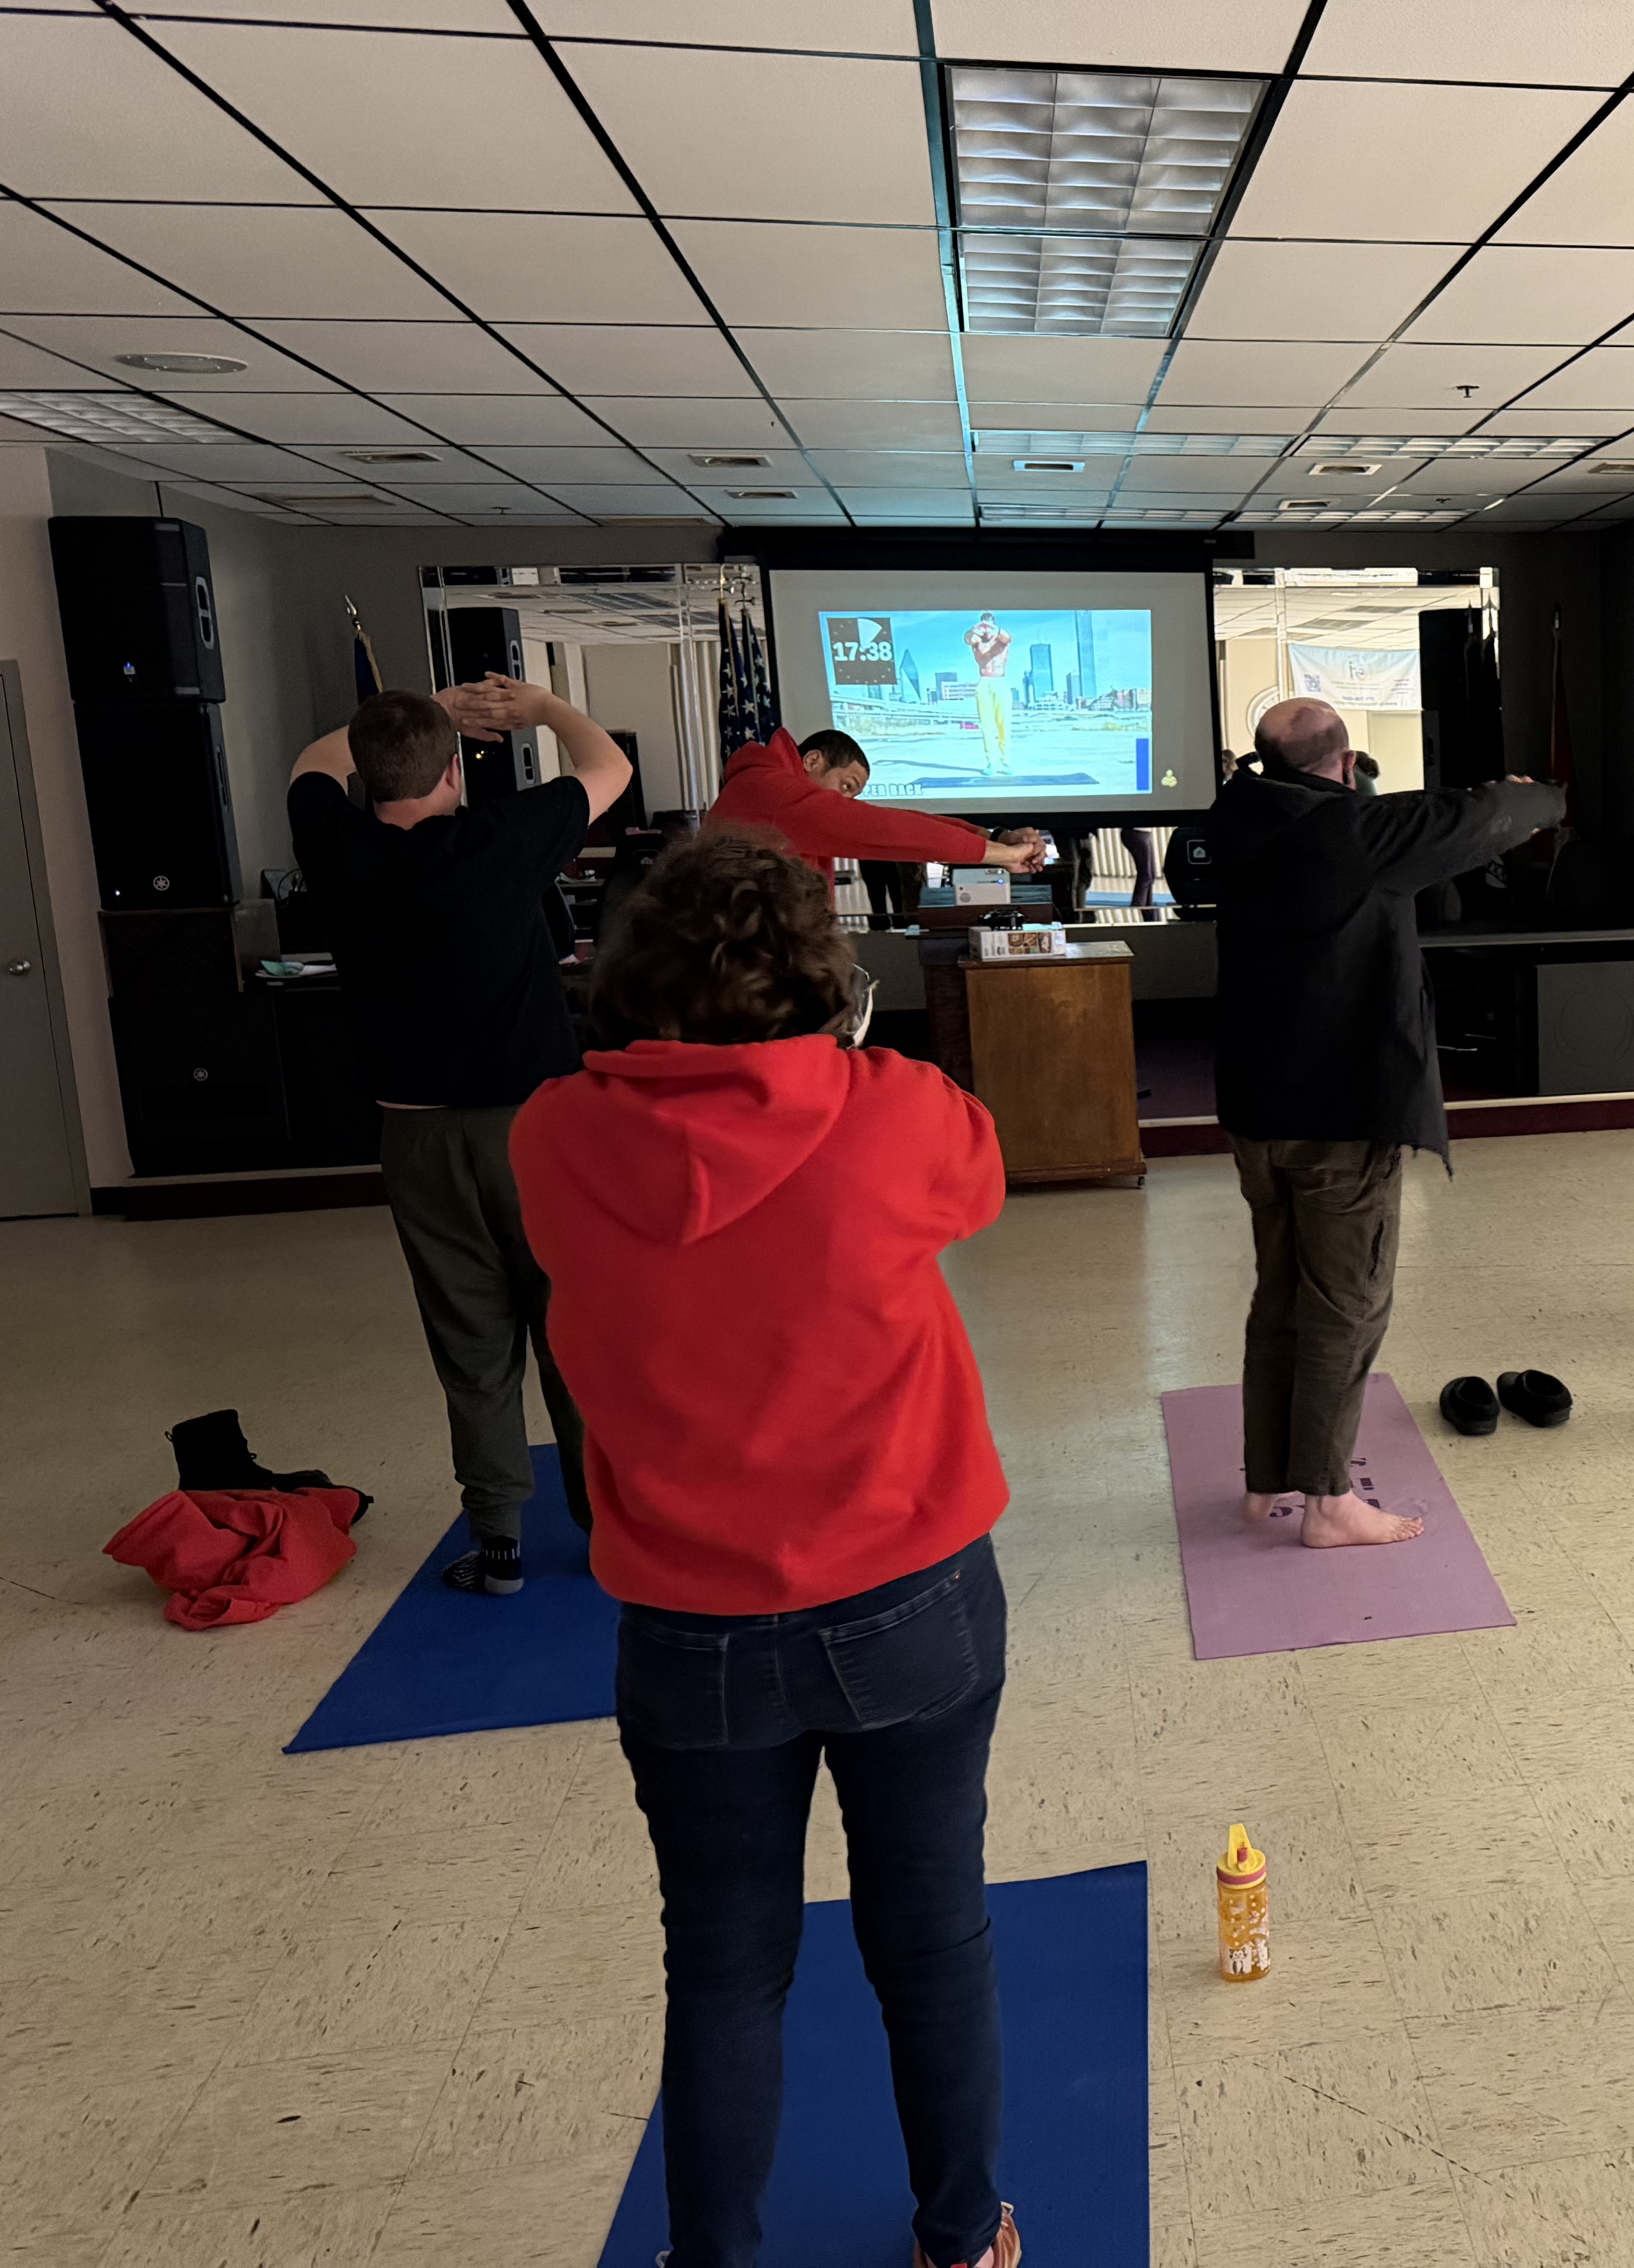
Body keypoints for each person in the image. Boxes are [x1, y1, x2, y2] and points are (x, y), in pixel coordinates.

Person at [510, 833, 1020, 2268]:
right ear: (827, 976)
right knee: (932, 1936)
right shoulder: (889, 1110)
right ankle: (963, 2235)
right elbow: (980, 1178)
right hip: (907, 1593)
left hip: (686, 1622)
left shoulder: (554, 1132)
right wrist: (851, 1045)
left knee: (725, 1965)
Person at [287, 676, 630, 1596]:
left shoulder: (335, 842)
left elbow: (312, 763)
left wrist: (421, 708)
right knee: (575, 1333)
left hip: (418, 1140)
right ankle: (609, 1530)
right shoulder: (499, 839)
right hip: (539, 1134)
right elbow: (610, 765)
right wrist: (542, 709)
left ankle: (501, 1542)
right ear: (453, 769)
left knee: (469, 1344)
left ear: (366, 776)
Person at [1213, 696, 1564, 1546]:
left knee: (1283, 1299)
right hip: (1338, 1115)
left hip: (1258, 1110)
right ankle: (1328, 1503)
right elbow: (1493, 815)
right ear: (1345, 762)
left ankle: (1268, 1482)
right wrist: (1538, 793)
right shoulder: (1352, 836)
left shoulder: (1237, 819)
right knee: (1348, 1306)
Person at [705, 725, 1046, 896]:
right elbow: (887, 828)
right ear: (812, 761)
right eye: (846, 786)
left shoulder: (769, 788)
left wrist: (995, 837)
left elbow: (899, 821)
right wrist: (1001, 855)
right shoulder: (769, 789)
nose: (847, 802)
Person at [965, 613, 1013, 758]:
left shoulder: (1001, 640)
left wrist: (994, 628)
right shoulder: (977, 642)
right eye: (984, 626)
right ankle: (991, 762)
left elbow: (1008, 638)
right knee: (987, 726)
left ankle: (1006, 761)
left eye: (989, 626)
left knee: (1004, 725)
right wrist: (975, 630)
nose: (986, 630)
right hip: (984, 682)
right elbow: (968, 639)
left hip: (1001, 682)